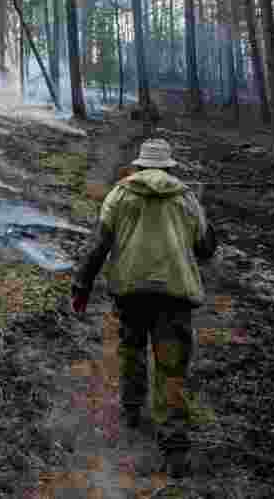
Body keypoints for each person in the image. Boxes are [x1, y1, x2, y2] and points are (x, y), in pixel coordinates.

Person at [70, 137, 217, 477]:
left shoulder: (119, 195)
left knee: (132, 350)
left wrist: (82, 285)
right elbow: (206, 249)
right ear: (168, 167)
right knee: (171, 368)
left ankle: (132, 411)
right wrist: (205, 224)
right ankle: (175, 450)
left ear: (138, 166)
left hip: (132, 293)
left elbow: (98, 246)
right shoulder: (186, 198)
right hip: (174, 297)